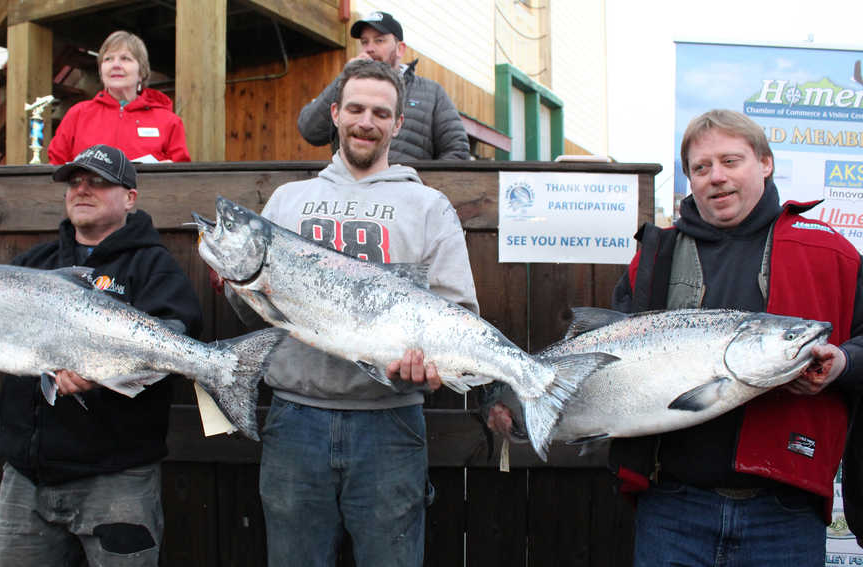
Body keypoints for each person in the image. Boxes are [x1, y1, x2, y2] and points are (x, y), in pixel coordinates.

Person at [491, 108, 863, 565]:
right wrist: (518, 408)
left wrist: (843, 363)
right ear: (689, 180)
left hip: (785, 512)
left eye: (731, 161)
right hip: (673, 507)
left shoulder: (830, 252)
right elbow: (604, 368)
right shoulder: (654, 256)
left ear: (765, 163)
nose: (716, 178)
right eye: (701, 168)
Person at [246, 59, 478, 566]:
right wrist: (234, 284)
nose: (365, 121)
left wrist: (433, 365)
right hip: (294, 419)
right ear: (335, 113)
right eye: (355, 108)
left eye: (380, 112)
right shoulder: (287, 201)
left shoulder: (429, 206)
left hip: (390, 426)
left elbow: (457, 309)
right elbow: (254, 312)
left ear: (397, 124)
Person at [0, 144, 203, 565]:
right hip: (25, 481)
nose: (82, 190)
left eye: (98, 182)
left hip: (118, 483)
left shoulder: (154, 268)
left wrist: (103, 372)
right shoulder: (34, 263)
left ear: (130, 197)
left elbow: (179, 336)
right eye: (74, 182)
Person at [297, 11, 471, 162]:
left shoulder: (432, 92)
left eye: (379, 41)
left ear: (400, 49)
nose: (370, 48)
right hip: (355, 194)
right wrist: (344, 77)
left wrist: (421, 189)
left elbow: (457, 151)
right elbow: (310, 132)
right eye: (365, 42)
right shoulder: (348, 86)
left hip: (408, 196)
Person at [48, 31, 190, 164]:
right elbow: (55, 168)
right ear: (101, 71)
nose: (115, 65)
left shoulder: (169, 121)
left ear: (141, 72)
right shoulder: (77, 115)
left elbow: (182, 177)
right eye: (108, 59)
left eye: (125, 59)